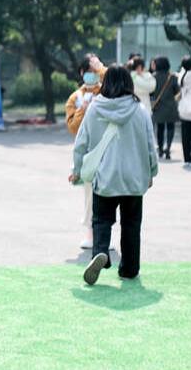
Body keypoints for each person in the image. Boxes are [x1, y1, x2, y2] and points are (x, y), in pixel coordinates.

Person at [70, 65, 158, 285]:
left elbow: (81, 143)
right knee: (131, 224)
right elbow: (150, 145)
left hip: (105, 177)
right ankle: (129, 268)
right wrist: (151, 171)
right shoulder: (140, 111)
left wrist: (77, 170)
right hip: (134, 178)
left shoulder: (94, 109)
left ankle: (101, 251)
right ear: (129, 83)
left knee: (101, 220)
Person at [65, 54, 106, 250]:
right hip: (88, 153)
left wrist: (101, 68)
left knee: (107, 194)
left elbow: (119, 85)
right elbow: (73, 128)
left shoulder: (106, 92)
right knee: (90, 194)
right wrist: (83, 109)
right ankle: (90, 233)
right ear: (82, 73)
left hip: (107, 150)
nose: (93, 74)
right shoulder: (75, 97)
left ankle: (104, 234)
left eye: (95, 71)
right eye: (89, 71)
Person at [150, 56, 180, 160]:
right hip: (170, 106)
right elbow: (177, 91)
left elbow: (151, 92)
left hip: (158, 106)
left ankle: (160, 149)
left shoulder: (153, 77)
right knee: (171, 127)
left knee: (160, 129)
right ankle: (168, 148)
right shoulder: (172, 77)